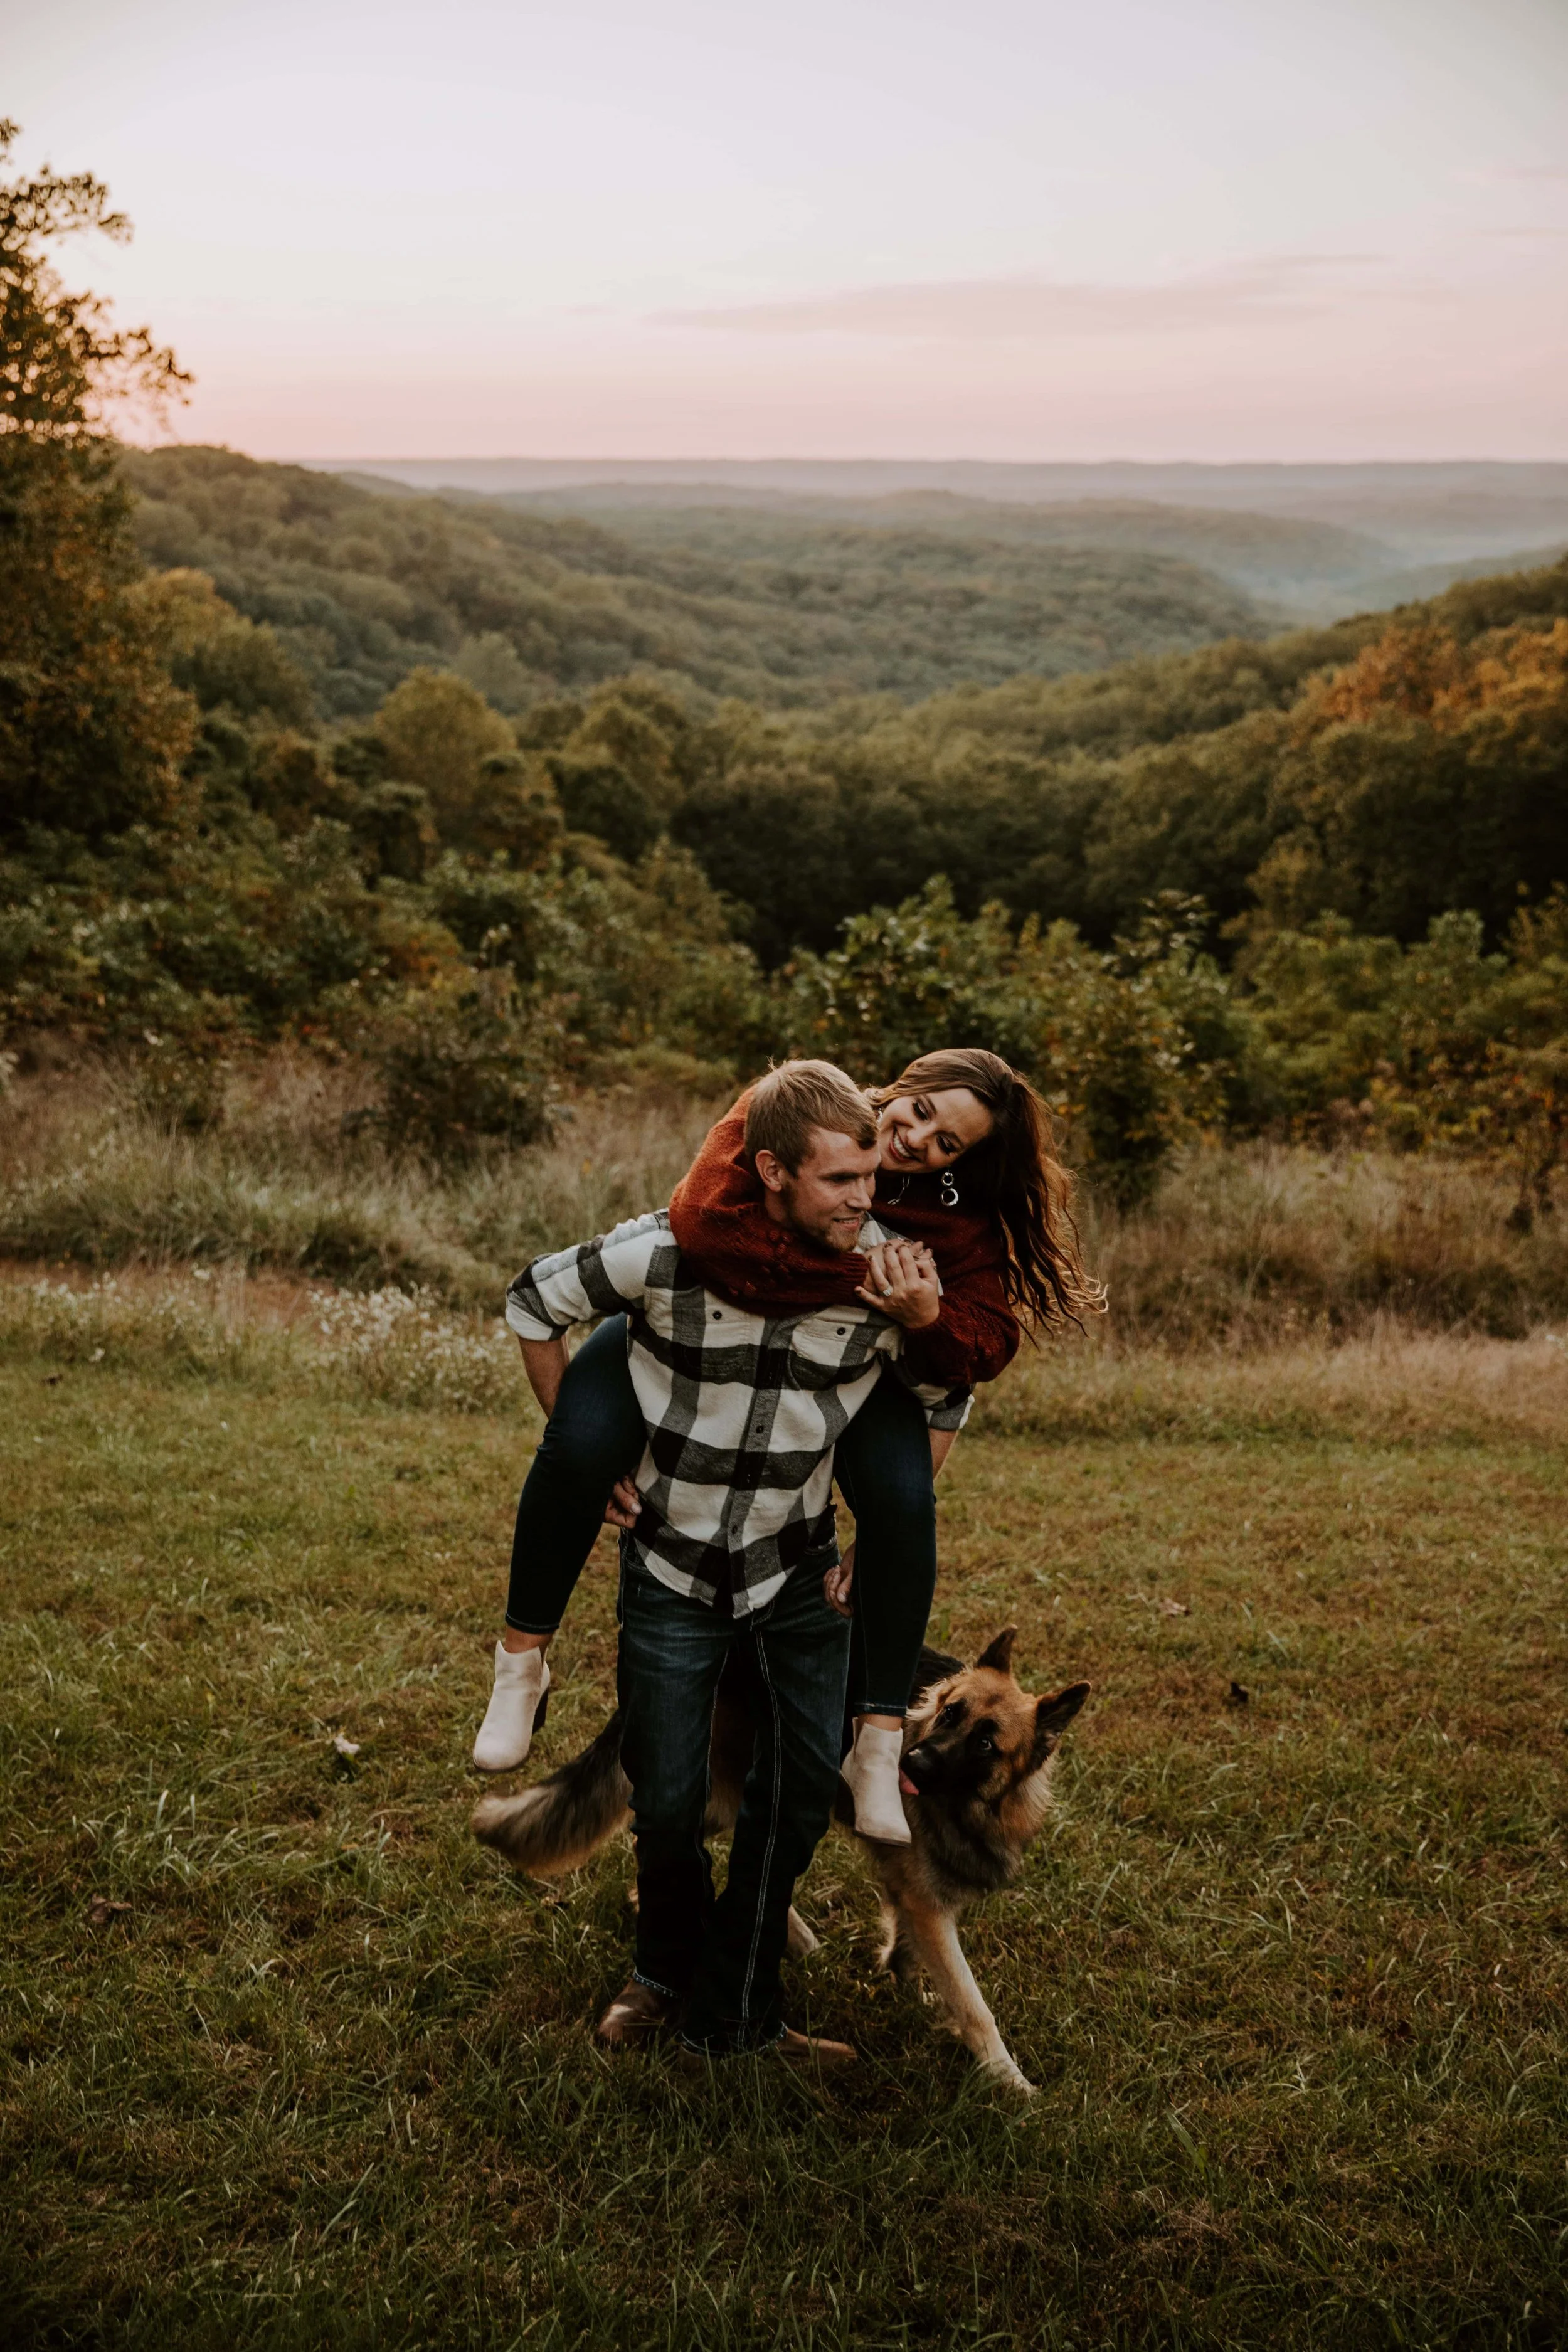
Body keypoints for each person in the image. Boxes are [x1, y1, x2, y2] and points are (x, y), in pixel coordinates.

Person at [473, 1046, 1101, 1845]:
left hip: (860, 1350)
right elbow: (700, 1212)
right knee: (580, 1444)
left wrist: (920, 1315)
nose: (917, 1143)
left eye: (949, 1143)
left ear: (965, 1163)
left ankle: (877, 1744)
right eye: (918, 1113)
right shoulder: (810, 1116)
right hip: (708, 1303)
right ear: (898, 1089)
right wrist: (834, 1271)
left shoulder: (944, 1222)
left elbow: (971, 1361)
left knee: (907, 1505)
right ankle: (521, 1665)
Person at [495, 1061, 970, 2065]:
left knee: (796, 1799)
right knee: (667, 1797)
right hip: (672, 1570)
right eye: (842, 1181)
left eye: (872, 1178)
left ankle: (742, 2011)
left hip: (800, 1577)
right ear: (770, 1171)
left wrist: (886, 1526)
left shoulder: (886, 1267)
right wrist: (590, 1444)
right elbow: (534, 1298)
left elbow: (948, 1392)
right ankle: (661, 1976)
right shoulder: (666, 1251)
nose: (867, 1198)